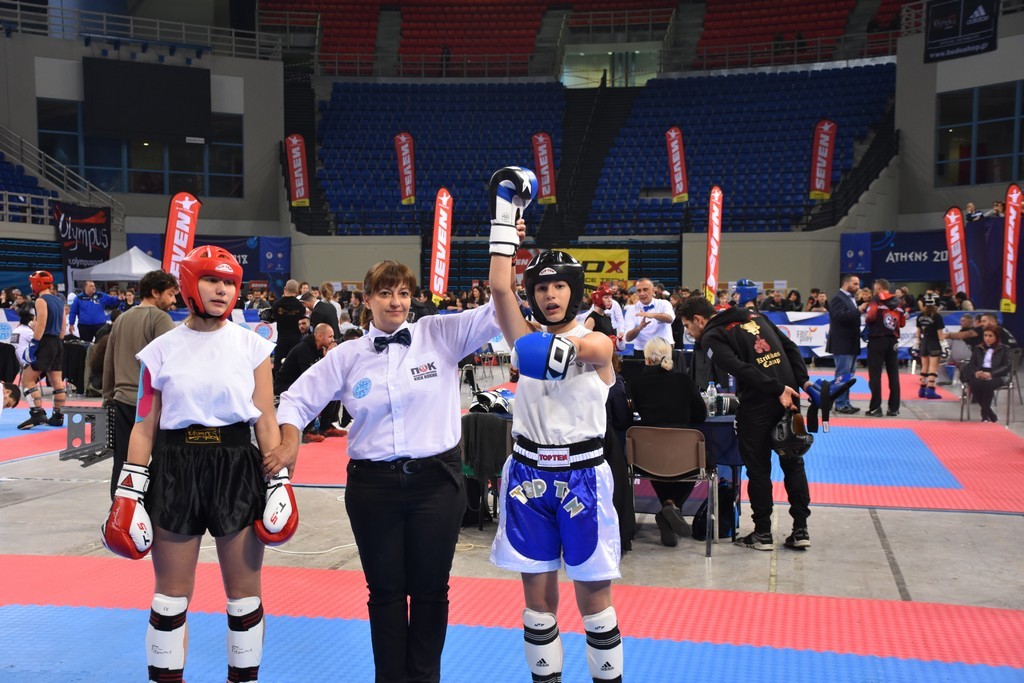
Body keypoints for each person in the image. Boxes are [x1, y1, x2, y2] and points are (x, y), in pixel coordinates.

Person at [268, 256, 504, 683]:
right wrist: (288, 441)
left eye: (403, 293)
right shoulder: (348, 355)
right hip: (372, 488)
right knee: (385, 593)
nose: (396, 302)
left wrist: (504, 246)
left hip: (436, 484)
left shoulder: (438, 335)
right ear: (367, 300)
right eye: (385, 293)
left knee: (431, 591)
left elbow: (498, 309)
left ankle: (425, 679)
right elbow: (296, 399)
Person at [100, 245, 285, 683]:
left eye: (229, 283)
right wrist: (129, 491)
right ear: (189, 284)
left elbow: (266, 419)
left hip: (237, 467)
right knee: (169, 599)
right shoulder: (160, 350)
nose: (222, 290)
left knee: (244, 599)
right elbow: (144, 425)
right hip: (175, 468)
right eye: (212, 280)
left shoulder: (253, 346)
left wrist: (279, 480)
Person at [487, 238, 624, 683]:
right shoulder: (525, 341)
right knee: (537, 605)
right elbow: (500, 289)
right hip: (528, 475)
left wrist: (559, 347)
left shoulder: (592, 340)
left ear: (574, 291)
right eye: (542, 288)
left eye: (559, 286)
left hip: (582, 475)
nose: (550, 295)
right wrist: (503, 233)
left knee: (595, 605)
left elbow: (599, 349)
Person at [679, 295, 813, 551]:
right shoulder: (755, 316)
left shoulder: (712, 336)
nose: (689, 332)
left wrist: (776, 389)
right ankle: (801, 529)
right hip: (789, 398)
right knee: (793, 462)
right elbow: (790, 347)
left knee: (758, 469)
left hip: (760, 403)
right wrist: (802, 381)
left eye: (687, 326)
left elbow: (738, 368)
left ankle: (763, 533)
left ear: (698, 319)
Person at [101, 269, 179, 500]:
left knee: (123, 462)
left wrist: (108, 395)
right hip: (152, 405)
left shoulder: (121, 319)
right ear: (155, 292)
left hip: (122, 401)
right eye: (170, 294)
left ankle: (120, 509)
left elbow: (109, 361)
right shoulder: (160, 318)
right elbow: (172, 361)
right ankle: (160, 510)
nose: (174, 301)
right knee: (163, 463)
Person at [629, 336, 707, 547]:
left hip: (647, 457)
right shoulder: (684, 380)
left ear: (646, 359)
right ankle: (671, 506)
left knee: (656, 462)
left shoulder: (636, 384)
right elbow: (701, 415)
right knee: (698, 461)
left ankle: (667, 507)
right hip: (684, 456)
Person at [274, 323, 343, 443]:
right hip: (287, 386)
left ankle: (326, 426)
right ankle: (309, 431)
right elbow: (310, 376)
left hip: (301, 383)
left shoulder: (319, 348)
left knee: (335, 390)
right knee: (316, 392)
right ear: (320, 336)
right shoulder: (304, 349)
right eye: (330, 337)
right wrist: (326, 358)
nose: (333, 340)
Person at [17, 271, 68, 430]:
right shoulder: (59, 300)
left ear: (38, 284)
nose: (31, 285)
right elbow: (63, 327)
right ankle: (58, 416)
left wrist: (34, 343)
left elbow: (41, 324)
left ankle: (37, 413)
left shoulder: (41, 300)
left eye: (32, 283)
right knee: (57, 382)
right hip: (58, 342)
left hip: (45, 341)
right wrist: (57, 342)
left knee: (27, 379)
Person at [861, 278, 905, 417]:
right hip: (893, 340)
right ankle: (894, 408)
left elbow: (870, 317)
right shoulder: (899, 301)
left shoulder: (876, 299)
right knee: (894, 375)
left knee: (875, 375)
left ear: (879, 288)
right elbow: (902, 323)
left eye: (875, 288)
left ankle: (875, 408)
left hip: (877, 339)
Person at [827, 274, 862, 414]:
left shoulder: (850, 299)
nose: (857, 287)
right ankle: (840, 404)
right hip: (842, 343)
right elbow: (838, 317)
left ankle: (845, 402)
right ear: (846, 283)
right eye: (855, 284)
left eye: (858, 284)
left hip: (851, 342)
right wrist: (858, 311)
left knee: (848, 375)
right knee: (842, 375)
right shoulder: (837, 298)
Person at [962, 327, 1012, 423]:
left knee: (987, 385)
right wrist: (976, 372)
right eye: (985, 335)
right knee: (974, 383)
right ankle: (989, 413)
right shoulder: (978, 348)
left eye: (990, 336)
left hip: (998, 375)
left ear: (996, 337)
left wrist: (991, 374)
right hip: (980, 373)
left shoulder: (1005, 349)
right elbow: (972, 364)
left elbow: (1006, 366)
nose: (987, 338)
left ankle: (984, 414)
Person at [624, 277, 675, 359]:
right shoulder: (631, 310)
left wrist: (653, 315)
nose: (642, 293)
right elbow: (628, 338)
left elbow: (670, 319)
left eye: (645, 289)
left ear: (653, 291)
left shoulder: (664, 304)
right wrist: (639, 328)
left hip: (663, 350)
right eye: (639, 291)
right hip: (641, 351)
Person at [268, 279, 306, 377]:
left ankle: (278, 382)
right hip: (296, 339)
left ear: (285, 288)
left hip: (282, 338)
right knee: (295, 364)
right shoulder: (300, 306)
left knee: (279, 366)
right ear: (297, 291)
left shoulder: (276, 304)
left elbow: (272, 317)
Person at [913, 301, 947, 400]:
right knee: (933, 368)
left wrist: (916, 344)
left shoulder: (920, 316)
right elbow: (940, 334)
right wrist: (945, 346)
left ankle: (922, 389)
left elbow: (918, 332)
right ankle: (931, 390)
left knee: (924, 367)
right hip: (934, 342)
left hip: (924, 342)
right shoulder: (937, 316)